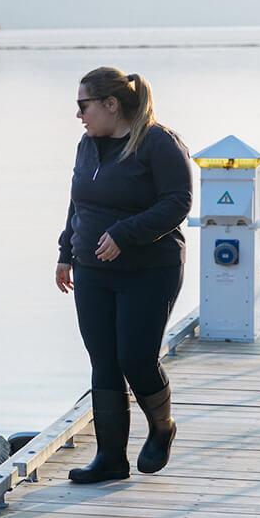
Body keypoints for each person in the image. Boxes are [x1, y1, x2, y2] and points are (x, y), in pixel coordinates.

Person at [56, 68, 192, 484]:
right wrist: (65, 252)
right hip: (93, 273)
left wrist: (125, 234)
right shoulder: (87, 145)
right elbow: (78, 203)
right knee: (104, 363)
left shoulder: (157, 143)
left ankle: (162, 427)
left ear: (111, 105)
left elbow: (178, 202)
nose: (79, 115)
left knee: (135, 358)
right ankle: (111, 459)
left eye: (84, 106)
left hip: (149, 271)